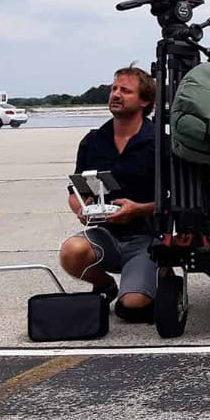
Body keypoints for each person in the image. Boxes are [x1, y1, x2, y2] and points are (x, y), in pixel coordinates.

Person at [58, 66, 159, 323]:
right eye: (114, 88)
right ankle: (106, 286)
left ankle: (156, 276)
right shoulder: (93, 141)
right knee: (71, 251)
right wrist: (81, 208)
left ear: (144, 101)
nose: (115, 94)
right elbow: (76, 191)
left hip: (146, 237)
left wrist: (139, 209)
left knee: (133, 307)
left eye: (125, 90)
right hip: (105, 234)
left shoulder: (158, 143)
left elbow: (173, 200)